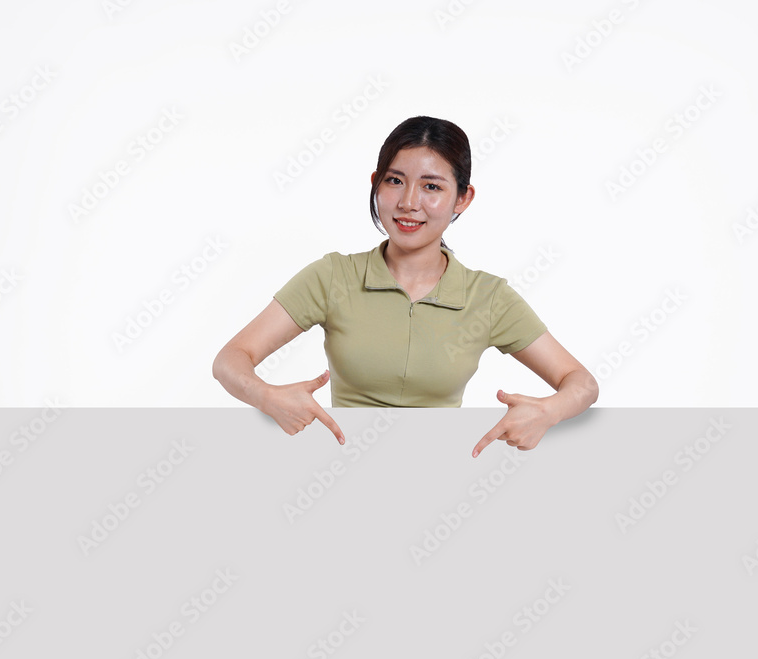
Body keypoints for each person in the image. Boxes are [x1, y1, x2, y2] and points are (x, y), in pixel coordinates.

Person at [213, 116, 598, 457]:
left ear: (462, 198)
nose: (409, 203)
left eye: (432, 187)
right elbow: (230, 359)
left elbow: (581, 383)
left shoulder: (489, 298)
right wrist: (266, 396)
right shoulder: (333, 277)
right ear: (376, 184)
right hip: (339, 476)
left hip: (444, 477)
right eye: (395, 181)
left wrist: (548, 412)